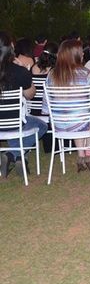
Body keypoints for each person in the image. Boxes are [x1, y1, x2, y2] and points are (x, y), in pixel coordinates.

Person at [42, 39, 90, 172]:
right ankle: (89, 155)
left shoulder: (51, 74)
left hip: (58, 125)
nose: (83, 55)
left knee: (77, 116)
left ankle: (81, 156)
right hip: (81, 122)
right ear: (76, 55)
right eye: (81, 52)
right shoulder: (87, 74)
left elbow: (46, 107)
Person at [0, 32, 47, 178]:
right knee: (41, 125)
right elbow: (30, 94)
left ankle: (17, 156)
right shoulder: (18, 71)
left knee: (20, 123)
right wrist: (25, 71)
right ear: (11, 47)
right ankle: (14, 154)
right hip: (15, 123)